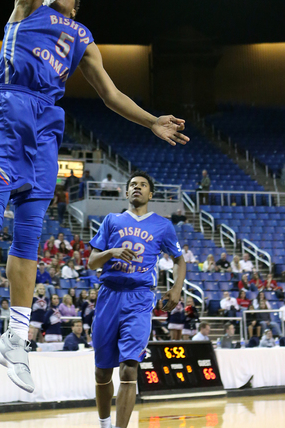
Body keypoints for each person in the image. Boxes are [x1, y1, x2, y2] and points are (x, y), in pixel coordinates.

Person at [0, 0, 188, 392]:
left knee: (29, 236)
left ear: (78, 6)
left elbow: (109, 94)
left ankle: (15, 338)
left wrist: (151, 120)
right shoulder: (26, 8)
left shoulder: (84, 39)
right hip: (8, 108)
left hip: (46, 126)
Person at [88, 171, 186, 428]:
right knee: (102, 371)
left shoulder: (163, 225)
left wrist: (176, 289)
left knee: (130, 368)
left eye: (142, 185)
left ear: (150, 194)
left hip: (140, 299)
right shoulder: (112, 220)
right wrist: (112, 251)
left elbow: (179, 259)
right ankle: (104, 423)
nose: (137, 188)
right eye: (133, 185)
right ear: (126, 191)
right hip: (109, 295)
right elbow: (91, 262)